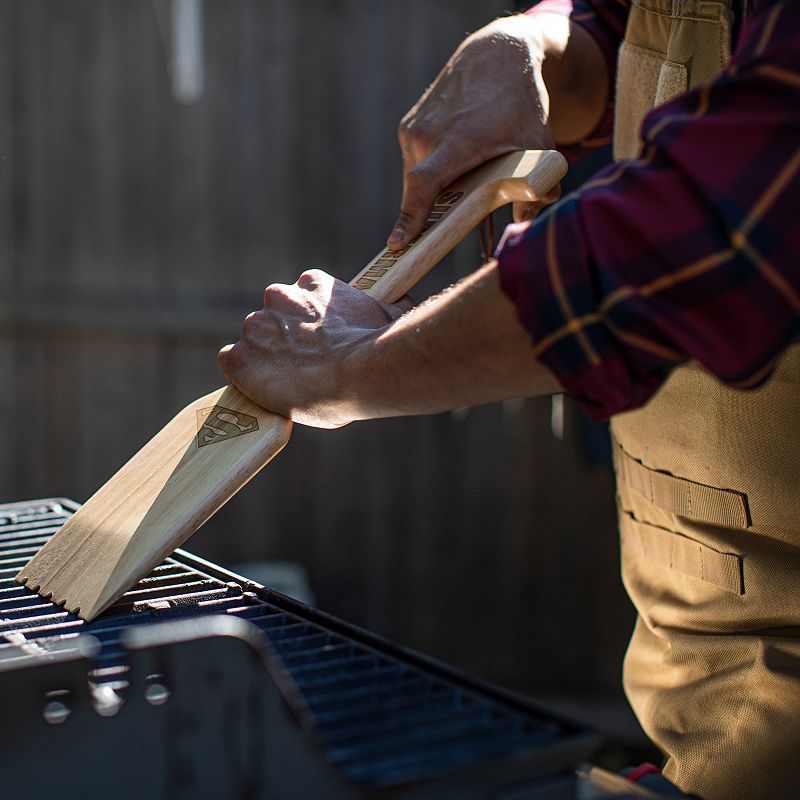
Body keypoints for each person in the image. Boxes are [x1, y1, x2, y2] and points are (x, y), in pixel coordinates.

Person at [218, 1, 800, 797]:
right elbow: (630, 23)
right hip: (712, 696)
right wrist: (542, 46)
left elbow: (711, 227)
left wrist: (354, 367)